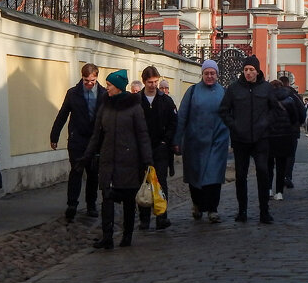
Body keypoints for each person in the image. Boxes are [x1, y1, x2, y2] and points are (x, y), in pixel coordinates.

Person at [81, 70, 153, 249]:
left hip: (129, 161)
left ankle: (127, 235)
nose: (107, 88)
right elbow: (96, 134)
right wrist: (86, 156)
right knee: (107, 198)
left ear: (119, 87)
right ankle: (107, 236)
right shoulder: (105, 106)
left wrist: (147, 161)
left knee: (128, 200)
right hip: (108, 159)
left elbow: (142, 134)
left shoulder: (134, 107)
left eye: (110, 85)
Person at [218, 54, 280, 224]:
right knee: (241, 176)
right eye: (245, 69)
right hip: (240, 139)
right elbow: (224, 110)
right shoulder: (234, 89)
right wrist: (234, 125)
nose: (248, 73)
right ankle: (242, 210)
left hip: (261, 138)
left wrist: (266, 123)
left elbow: (276, 110)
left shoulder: (266, 88)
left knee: (263, 172)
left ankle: (264, 211)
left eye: (251, 70)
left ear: (257, 71)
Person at [173, 59, 230, 223]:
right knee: (194, 176)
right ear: (202, 74)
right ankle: (197, 204)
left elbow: (230, 116)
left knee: (215, 176)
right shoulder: (192, 91)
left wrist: (230, 140)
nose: (210, 76)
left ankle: (213, 209)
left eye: (212, 73)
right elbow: (182, 116)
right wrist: (177, 139)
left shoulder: (223, 92)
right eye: (207, 73)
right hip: (195, 142)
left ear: (217, 75)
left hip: (217, 142)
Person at [49, 63, 105, 221]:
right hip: (77, 139)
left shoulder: (103, 94)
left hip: (95, 140)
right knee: (76, 171)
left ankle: (91, 204)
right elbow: (63, 114)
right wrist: (54, 135)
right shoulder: (73, 93)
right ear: (82, 77)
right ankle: (72, 204)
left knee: (93, 173)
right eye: (86, 80)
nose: (88, 84)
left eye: (91, 81)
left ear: (96, 78)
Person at [137, 65, 177, 231]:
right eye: (150, 82)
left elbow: (173, 122)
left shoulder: (165, 101)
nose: (153, 85)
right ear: (144, 82)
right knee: (144, 182)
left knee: (160, 182)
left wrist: (166, 141)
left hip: (161, 148)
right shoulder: (137, 100)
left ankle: (162, 216)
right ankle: (144, 218)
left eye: (155, 81)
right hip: (142, 148)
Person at [265, 78, 302, 200]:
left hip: (269, 136)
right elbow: (295, 118)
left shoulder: (266, 99)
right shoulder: (289, 100)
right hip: (284, 136)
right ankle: (279, 192)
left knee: (269, 165)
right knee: (281, 165)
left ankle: (269, 189)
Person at [279, 74, 307, 189]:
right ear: (289, 83)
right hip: (292, 130)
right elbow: (302, 112)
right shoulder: (295, 95)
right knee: (290, 154)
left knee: (278, 155)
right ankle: (287, 176)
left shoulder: (272, 95)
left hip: (276, 130)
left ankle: (279, 178)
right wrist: (298, 123)